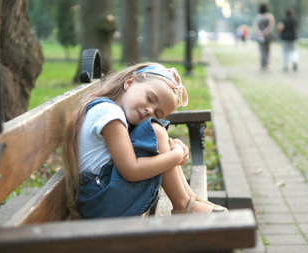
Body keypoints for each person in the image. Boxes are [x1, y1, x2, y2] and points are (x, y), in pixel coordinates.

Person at [63, 62, 227, 219]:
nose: (150, 111)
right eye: (150, 98)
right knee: (156, 131)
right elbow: (131, 170)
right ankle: (184, 205)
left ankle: (191, 201)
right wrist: (175, 156)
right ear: (129, 82)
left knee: (158, 131)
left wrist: (172, 148)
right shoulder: (109, 114)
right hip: (99, 202)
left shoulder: (114, 112)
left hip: (98, 199)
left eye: (158, 113)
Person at [253, 3, 275, 71]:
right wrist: (265, 32)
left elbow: (255, 26)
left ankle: (263, 64)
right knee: (267, 50)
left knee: (261, 50)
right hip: (267, 35)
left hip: (260, 35)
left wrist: (260, 32)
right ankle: (266, 64)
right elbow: (271, 25)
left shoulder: (258, 16)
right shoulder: (270, 16)